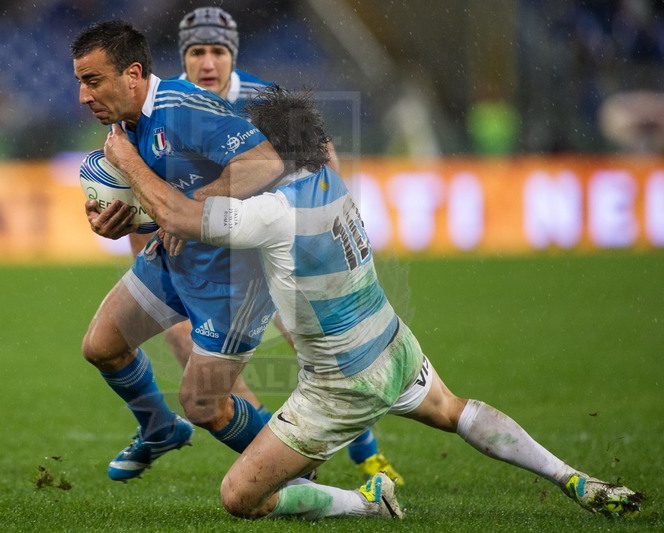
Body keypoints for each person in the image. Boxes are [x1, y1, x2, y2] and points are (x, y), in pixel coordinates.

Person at [102, 86, 644, 520]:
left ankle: (367, 502)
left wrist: (126, 159)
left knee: (240, 498)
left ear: (270, 151)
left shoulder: (273, 212)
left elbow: (181, 219)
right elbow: (194, 215)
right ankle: (572, 477)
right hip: (393, 343)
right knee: (456, 411)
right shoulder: (331, 180)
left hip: (340, 386)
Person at [125, 6, 401, 484]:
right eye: (196, 52)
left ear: (232, 55)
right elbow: (144, 191)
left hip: (272, 244)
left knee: (315, 347)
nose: (206, 63)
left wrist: (331, 217)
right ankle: (272, 451)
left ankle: (365, 453)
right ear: (182, 57)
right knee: (193, 353)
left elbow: (322, 154)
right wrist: (145, 258)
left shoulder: (260, 98)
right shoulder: (167, 105)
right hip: (211, 256)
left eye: (217, 51)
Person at [71, 20, 284, 482]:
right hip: (174, 258)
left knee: (205, 404)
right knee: (102, 346)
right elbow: (158, 198)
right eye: (80, 83)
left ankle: (292, 470)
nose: (84, 97)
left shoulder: (183, 108)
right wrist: (120, 222)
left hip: (233, 277)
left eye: (93, 81)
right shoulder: (124, 127)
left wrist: (192, 210)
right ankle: (160, 428)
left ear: (132, 74)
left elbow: (265, 163)